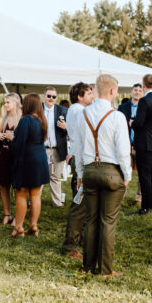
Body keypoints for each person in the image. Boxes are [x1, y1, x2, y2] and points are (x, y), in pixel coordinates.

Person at [73, 74, 131, 277]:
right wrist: (127, 174)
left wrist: (80, 173)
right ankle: (105, 269)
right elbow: (123, 149)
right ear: (113, 91)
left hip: (89, 170)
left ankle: (87, 266)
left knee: (91, 220)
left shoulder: (83, 114)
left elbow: (78, 147)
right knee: (108, 220)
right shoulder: (117, 116)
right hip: (111, 172)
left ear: (97, 90)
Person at [60, 81, 94, 259]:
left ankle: (78, 239)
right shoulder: (79, 110)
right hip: (81, 159)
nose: (92, 96)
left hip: (78, 156)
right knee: (79, 204)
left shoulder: (76, 110)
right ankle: (71, 244)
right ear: (79, 96)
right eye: (89, 93)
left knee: (82, 202)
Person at [10, 93, 50, 237]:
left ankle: (19, 228)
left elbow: (19, 143)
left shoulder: (26, 120)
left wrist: (10, 142)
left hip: (27, 159)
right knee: (35, 194)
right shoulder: (42, 120)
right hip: (40, 158)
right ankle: (33, 225)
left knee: (21, 194)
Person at [131, 74, 152, 215]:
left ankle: (145, 206)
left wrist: (131, 123)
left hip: (144, 143)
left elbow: (139, 123)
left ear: (143, 85)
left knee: (144, 175)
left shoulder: (144, 101)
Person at [0, 93, 22, 226]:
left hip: (16, 155)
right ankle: (7, 213)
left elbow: (23, 139)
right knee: (4, 184)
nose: (5, 105)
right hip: (5, 154)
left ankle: (18, 215)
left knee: (17, 187)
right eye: (5, 102)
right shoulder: (5, 117)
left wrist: (13, 138)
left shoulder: (22, 118)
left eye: (8, 102)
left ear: (16, 104)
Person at [118, 83, 144, 205]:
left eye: (140, 90)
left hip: (140, 144)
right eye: (135, 90)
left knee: (141, 173)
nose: (137, 92)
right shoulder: (123, 107)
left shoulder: (145, 107)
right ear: (131, 92)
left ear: (142, 93)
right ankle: (120, 197)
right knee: (123, 171)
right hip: (125, 144)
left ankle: (139, 198)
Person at [43, 86, 69, 207]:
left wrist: (66, 127)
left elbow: (72, 130)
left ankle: (57, 202)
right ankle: (33, 201)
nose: (51, 99)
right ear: (44, 96)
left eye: (54, 97)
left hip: (58, 149)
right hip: (42, 149)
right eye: (49, 96)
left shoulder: (63, 110)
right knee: (39, 176)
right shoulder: (38, 110)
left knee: (56, 176)